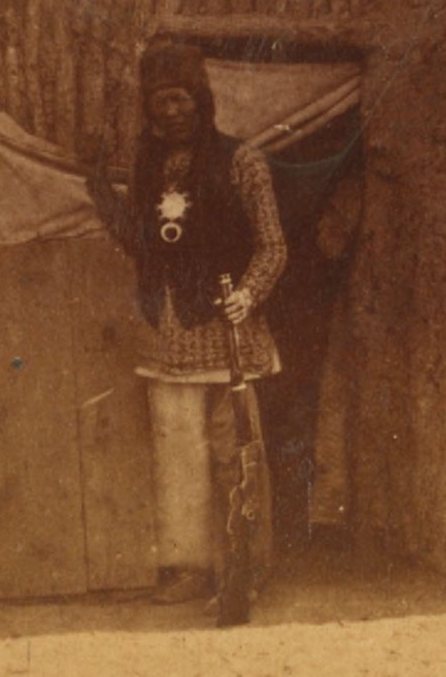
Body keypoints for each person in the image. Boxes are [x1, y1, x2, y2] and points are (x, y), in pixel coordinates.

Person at [87, 39, 287, 606]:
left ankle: (243, 567)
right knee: (177, 458)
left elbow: (274, 246)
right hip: (168, 334)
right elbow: (140, 244)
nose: (170, 112)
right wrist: (99, 186)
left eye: (180, 99)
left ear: (200, 100)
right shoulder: (150, 169)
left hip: (228, 330)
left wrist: (248, 296)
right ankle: (190, 568)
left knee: (235, 451)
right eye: (159, 103)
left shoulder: (242, 160)